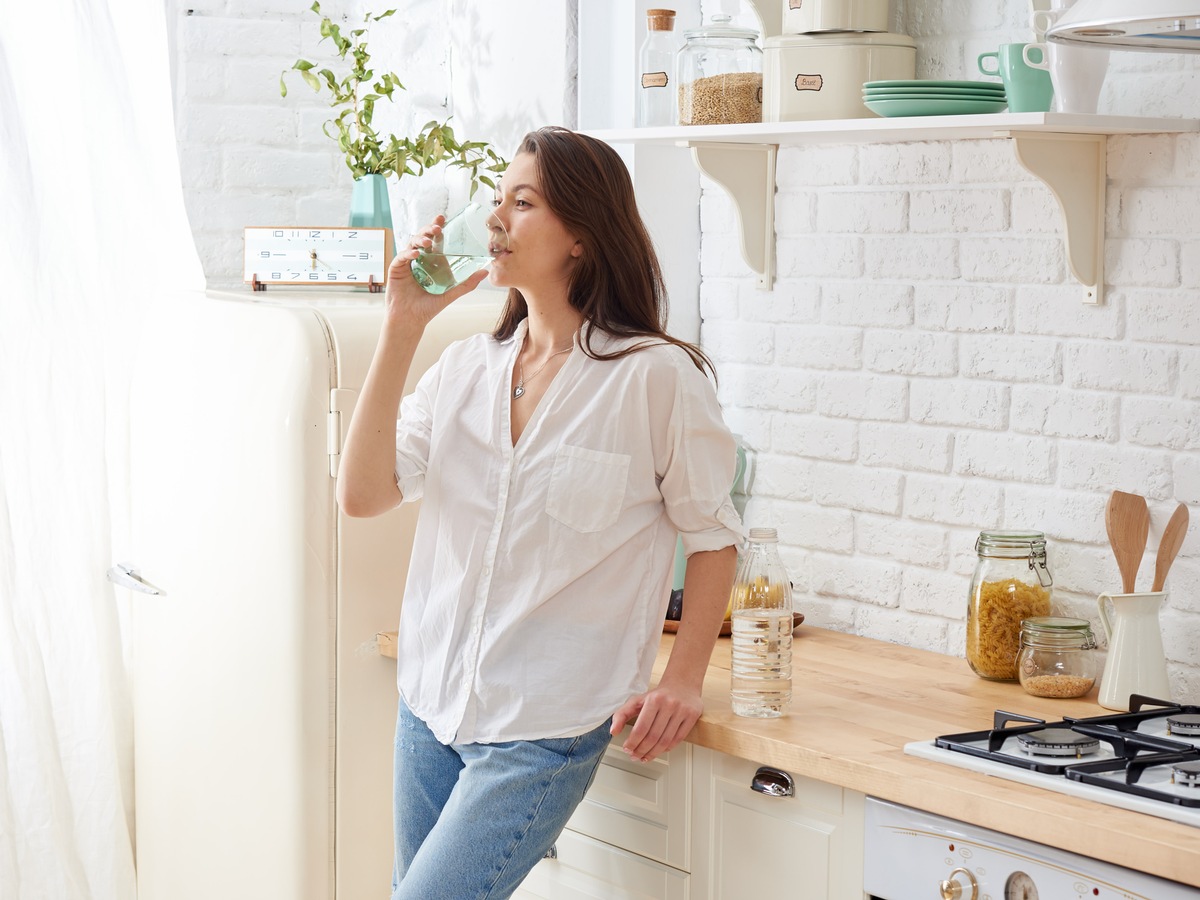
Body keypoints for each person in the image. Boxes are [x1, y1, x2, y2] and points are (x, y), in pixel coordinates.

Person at [336, 125, 743, 900]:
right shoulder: (465, 368)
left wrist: (684, 680)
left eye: (523, 203)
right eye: (497, 202)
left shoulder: (654, 378)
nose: (497, 221)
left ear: (582, 238)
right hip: (430, 709)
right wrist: (402, 326)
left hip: (541, 730)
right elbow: (361, 495)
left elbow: (714, 536)